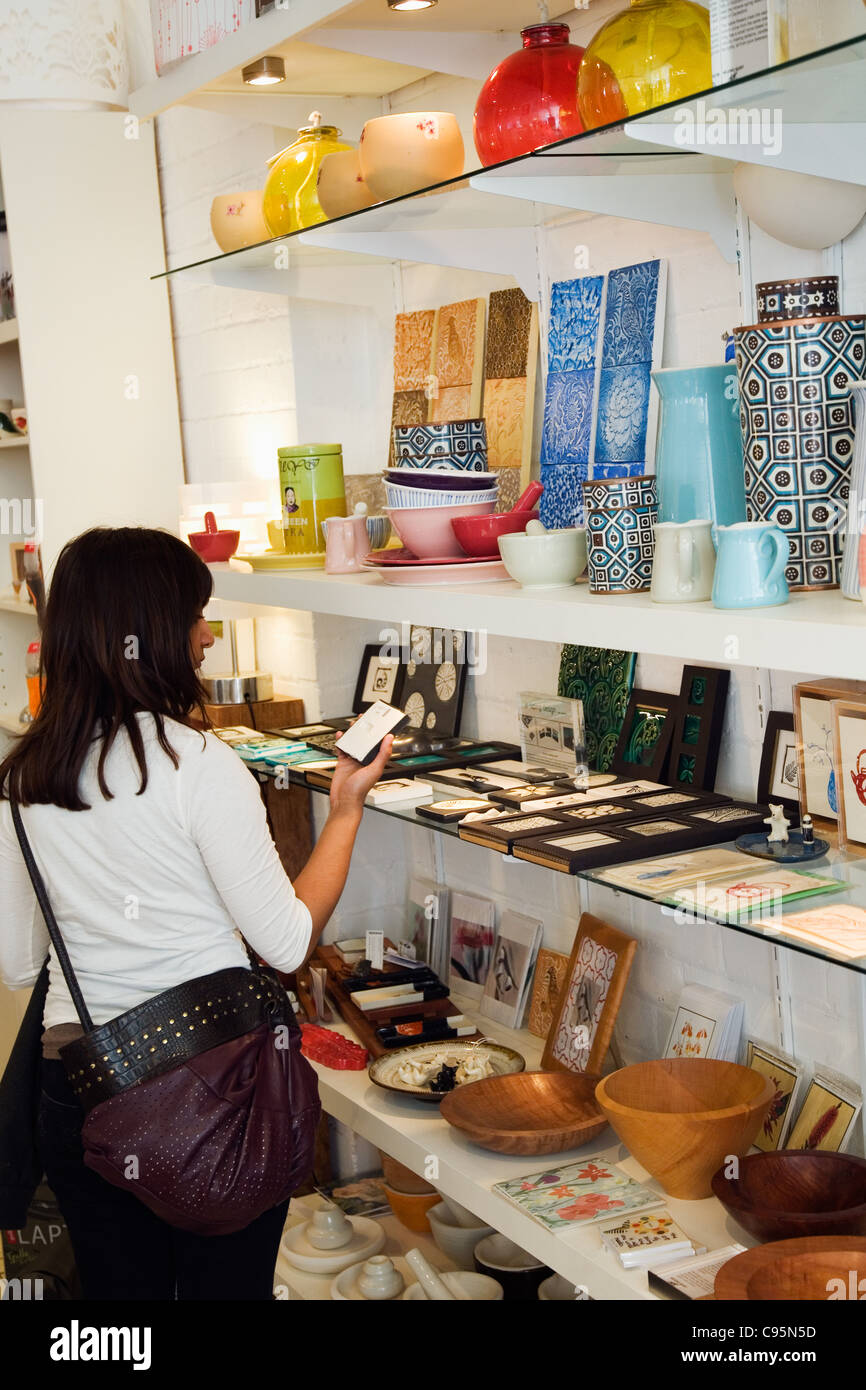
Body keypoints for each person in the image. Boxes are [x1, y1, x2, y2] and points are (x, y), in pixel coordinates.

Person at [0, 527, 392, 1301]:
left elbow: (19, 964)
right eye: (195, 615)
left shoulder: (23, 777)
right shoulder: (198, 767)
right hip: (213, 1089)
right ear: (146, 634)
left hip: (78, 1088)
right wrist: (345, 810)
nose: (207, 634)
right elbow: (283, 941)